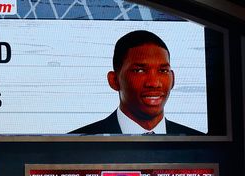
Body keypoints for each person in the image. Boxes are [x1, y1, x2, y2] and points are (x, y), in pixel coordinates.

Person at [69, 30, 203, 135]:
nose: (154, 83)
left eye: (163, 71)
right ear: (114, 80)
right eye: (139, 70)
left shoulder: (200, 142)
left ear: (173, 79)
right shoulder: (74, 144)